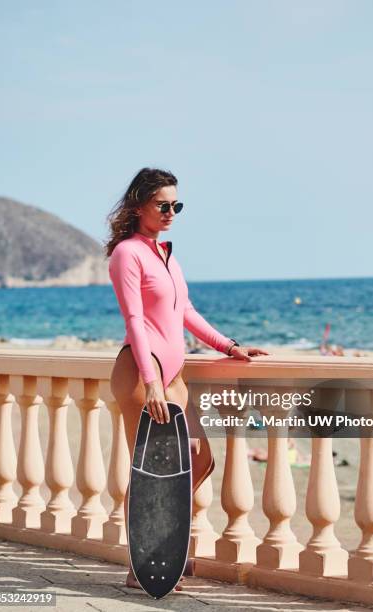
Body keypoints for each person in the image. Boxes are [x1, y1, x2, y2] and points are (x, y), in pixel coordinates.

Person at [104, 167, 269, 589]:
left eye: (177, 205)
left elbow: (187, 314)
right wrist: (151, 380)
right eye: (163, 204)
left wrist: (230, 346)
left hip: (173, 374)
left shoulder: (166, 255)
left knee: (198, 460)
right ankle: (142, 565)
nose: (171, 212)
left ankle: (161, 548)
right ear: (138, 204)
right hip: (144, 374)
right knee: (152, 475)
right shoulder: (128, 253)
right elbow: (136, 321)